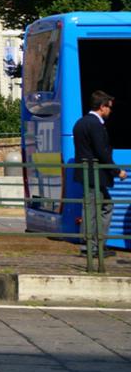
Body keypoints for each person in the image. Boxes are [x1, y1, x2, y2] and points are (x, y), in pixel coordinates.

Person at [72, 90, 125, 258]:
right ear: (102, 107)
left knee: (102, 206)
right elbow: (101, 152)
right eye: (109, 107)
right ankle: (91, 247)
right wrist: (117, 171)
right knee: (93, 210)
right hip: (94, 175)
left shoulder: (80, 122)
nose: (110, 110)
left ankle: (95, 244)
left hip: (88, 175)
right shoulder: (95, 124)